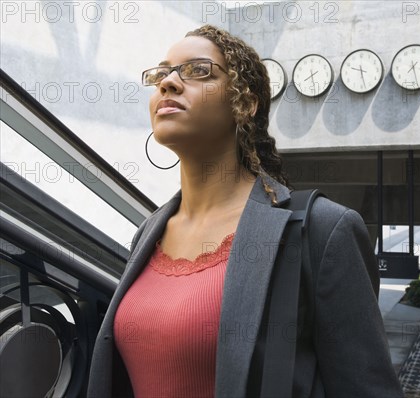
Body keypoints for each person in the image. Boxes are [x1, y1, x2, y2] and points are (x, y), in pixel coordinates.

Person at [87, 24, 403, 398]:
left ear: (246, 104)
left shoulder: (322, 230)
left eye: (197, 71)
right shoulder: (148, 233)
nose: (168, 83)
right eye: (162, 73)